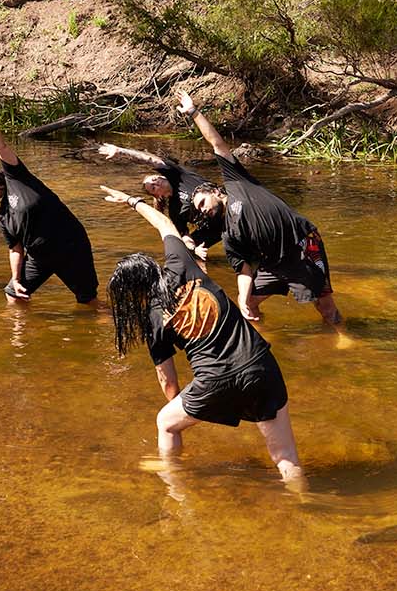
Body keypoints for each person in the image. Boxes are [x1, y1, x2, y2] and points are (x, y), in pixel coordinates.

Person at [100, 182, 303, 483]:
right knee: (285, 456)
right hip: (261, 364)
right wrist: (131, 200)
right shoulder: (181, 263)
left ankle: (175, 489)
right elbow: (164, 223)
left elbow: (168, 381)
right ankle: (308, 511)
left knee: (166, 423)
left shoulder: (153, 320)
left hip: (214, 378)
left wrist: (189, 405)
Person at [178, 92, 343, 325]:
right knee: (251, 302)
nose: (203, 210)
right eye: (199, 210)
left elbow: (217, 143)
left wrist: (194, 112)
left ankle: (343, 339)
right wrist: (242, 299)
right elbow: (244, 271)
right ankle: (263, 340)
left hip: (301, 244)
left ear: (215, 191)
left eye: (203, 203)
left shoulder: (237, 182)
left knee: (325, 306)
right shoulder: (228, 236)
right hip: (273, 263)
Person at [0, 89, 97, 303]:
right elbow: (15, 250)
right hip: (39, 257)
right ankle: (22, 336)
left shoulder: (16, 177)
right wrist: (16, 279)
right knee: (13, 295)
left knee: (88, 303)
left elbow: (1, 146)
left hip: (69, 245)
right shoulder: (3, 217)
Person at [94, 142, 222, 256]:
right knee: (186, 252)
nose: (156, 183)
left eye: (154, 179)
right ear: (159, 196)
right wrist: (194, 249)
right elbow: (184, 234)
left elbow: (150, 159)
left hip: (226, 207)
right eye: (153, 187)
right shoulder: (174, 211)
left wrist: (121, 151)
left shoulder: (180, 177)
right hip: (213, 229)